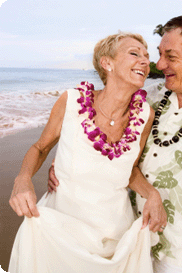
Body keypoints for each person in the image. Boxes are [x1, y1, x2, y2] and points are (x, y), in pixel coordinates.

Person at [47, 13, 182, 273]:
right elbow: (103, 133)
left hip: (178, 254)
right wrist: (65, 160)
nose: (159, 64)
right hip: (122, 237)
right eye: (159, 54)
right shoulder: (146, 100)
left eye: (171, 56)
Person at [8, 32, 161, 273]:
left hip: (116, 235)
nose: (145, 61)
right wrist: (23, 178)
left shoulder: (145, 116)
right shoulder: (71, 101)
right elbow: (40, 147)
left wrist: (152, 194)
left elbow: (129, 169)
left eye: (147, 56)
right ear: (107, 63)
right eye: (134, 53)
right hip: (61, 230)